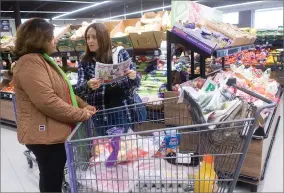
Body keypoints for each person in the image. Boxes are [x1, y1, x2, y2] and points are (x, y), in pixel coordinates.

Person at [13, 18, 97, 193]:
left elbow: (64, 91)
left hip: (51, 133)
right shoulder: (30, 63)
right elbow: (48, 102)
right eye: (51, 36)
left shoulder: (43, 61)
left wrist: (83, 105)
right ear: (40, 39)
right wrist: (81, 114)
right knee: (51, 179)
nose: (55, 39)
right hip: (44, 136)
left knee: (54, 176)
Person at [76, 23, 145, 136]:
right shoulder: (85, 60)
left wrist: (133, 77)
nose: (90, 41)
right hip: (99, 113)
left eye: (94, 37)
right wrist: (88, 85)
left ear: (103, 37)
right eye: (88, 37)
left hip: (121, 110)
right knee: (104, 148)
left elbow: (136, 83)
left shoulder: (119, 53)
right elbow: (78, 90)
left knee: (123, 146)